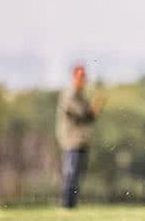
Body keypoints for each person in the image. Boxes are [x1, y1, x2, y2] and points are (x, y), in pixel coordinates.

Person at [56, 65, 105, 208]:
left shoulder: (80, 95)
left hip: (81, 141)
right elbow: (84, 115)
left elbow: (88, 117)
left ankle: (72, 204)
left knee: (76, 174)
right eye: (81, 76)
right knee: (70, 174)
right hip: (71, 141)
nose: (83, 80)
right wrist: (94, 108)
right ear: (74, 77)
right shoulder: (70, 94)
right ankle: (67, 204)